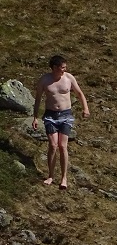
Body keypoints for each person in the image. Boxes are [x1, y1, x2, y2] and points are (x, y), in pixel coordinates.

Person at [32, 54, 90, 189]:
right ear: (54, 67)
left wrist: (85, 108)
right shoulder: (44, 80)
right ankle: (51, 175)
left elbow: (79, 93)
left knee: (63, 146)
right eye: (62, 67)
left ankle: (64, 178)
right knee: (53, 145)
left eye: (65, 67)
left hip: (66, 115)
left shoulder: (69, 78)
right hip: (50, 116)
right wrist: (35, 117)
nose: (64, 70)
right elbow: (38, 99)